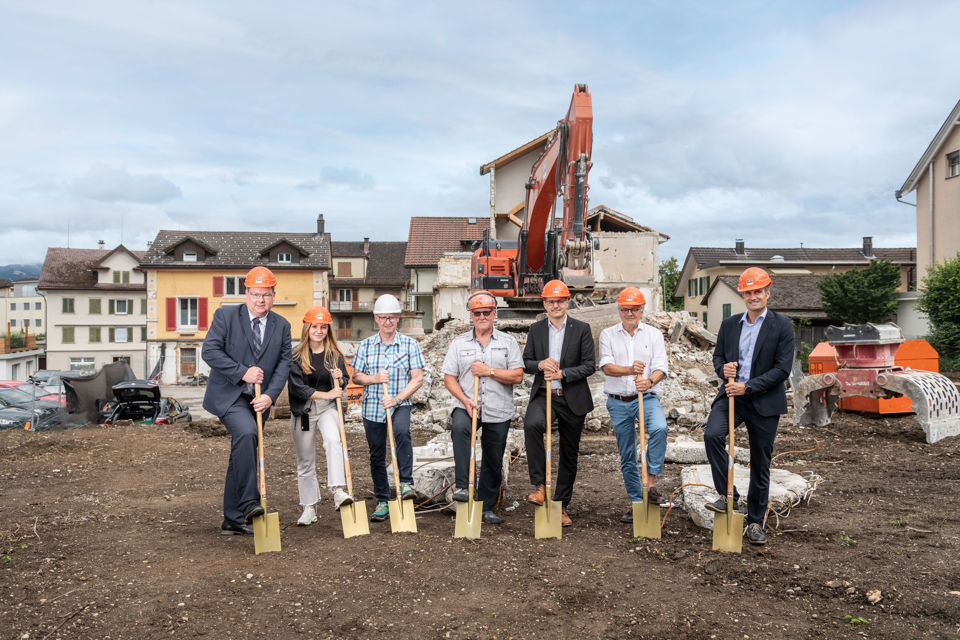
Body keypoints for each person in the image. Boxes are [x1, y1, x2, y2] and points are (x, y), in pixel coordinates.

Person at [703, 267, 794, 545]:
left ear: (767, 292)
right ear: (742, 294)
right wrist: (724, 369)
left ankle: (755, 521)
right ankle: (728, 496)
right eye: (748, 292)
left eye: (758, 291)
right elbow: (718, 357)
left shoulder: (782, 325)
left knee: (760, 462)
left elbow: (782, 370)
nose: (753, 296)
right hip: (732, 395)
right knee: (712, 435)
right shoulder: (731, 324)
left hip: (763, 400)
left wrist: (749, 386)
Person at [202, 266, 292, 536]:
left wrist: (269, 396)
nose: (260, 300)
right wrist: (243, 372)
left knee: (242, 450)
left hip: (258, 401)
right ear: (246, 293)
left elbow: (284, 364)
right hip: (229, 394)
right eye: (255, 294)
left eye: (266, 295)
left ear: (274, 295)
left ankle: (232, 519)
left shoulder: (282, 326)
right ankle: (250, 503)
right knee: (247, 433)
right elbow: (210, 351)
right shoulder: (226, 316)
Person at [441, 291, 524, 525]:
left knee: (493, 457)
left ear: (494, 313)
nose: (482, 316)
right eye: (477, 313)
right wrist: (464, 400)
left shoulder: (508, 342)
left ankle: (487, 506)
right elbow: (449, 378)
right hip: (467, 404)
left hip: (498, 408)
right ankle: (463, 487)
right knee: (459, 430)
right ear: (472, 316)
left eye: (486, 312)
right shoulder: (459, 343)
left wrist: (489, 371)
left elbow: (517, 375)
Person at [522, 279, 596, 527]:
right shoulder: (536, 330)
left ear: (567, 302)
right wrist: (541, 364)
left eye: (560, 300)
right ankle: (540, 486)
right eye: (551, 301)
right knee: (532, 425)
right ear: (544, 303)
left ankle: (561, 505)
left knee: (568, 452)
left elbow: (589, 366)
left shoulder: (581, 328)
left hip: (572, 397)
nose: (556, 305)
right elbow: (527, 362)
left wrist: (563, 373)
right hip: (544, 395)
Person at [351, 294, 425, 522]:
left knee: (402, 432)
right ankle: (383, 500)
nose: (387, 322)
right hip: (373, 407)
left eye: (391, 317)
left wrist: (397, 399)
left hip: (399, 404)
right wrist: (373, 378)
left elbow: (418, 378)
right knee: (377, 454)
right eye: (383, 318)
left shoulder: (410, 344)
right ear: (376, 318)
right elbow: (356, 376)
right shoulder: (365, 346)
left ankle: (405, 483)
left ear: (398, 318)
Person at [598, 287, 669, 523]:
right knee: (627, 454)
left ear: (642, 310)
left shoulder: (653, 335)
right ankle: (637, 502)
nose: (630, 313)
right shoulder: (608, 335)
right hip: (618, 401)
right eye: (625, 309)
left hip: (646, 397)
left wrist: (648, 381)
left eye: (635, 309)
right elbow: (607, 367)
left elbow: (661, 368)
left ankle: (650, 485)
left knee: (659, 429)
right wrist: (631, 370)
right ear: (619, 310)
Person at [286, 306, 355, 526]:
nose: (319, 331)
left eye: (323, 327)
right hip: (304, 411)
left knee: (334, 441)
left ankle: (337, 490)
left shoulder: (333, 354)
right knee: (306, 460)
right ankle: (309, 507)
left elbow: (343, 379)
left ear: (328, 329)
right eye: (315, 326)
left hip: (327, 408)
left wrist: (340, 379)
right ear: (307, 328)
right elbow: (297, 388)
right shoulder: (296, 356)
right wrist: (328, 392)